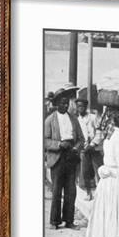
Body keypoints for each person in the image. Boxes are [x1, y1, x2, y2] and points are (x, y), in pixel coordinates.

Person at [44, 92, 85, 229]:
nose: (65, 105)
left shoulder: (73, 119)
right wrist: (58, 145)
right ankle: (54, 221)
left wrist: (76, 148)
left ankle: (69, 220)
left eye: (67, 103)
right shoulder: (50, 120)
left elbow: (81, 139)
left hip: (71, 156)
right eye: (62, 103)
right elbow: (45, 140)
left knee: (71, 191)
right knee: (56, 190)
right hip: (57, 157)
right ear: (56, 104)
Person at [75, 99, 97, 199]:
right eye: (78, 106)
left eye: (82, 106)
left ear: (86, 107)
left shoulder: (93, 117)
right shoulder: (76, 119)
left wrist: (92, 144)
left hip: (94, 147)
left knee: (97, 169)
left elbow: (99, 132)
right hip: (84, 149)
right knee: (85, 171)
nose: (80, 108)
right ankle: (89, 193)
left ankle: (100, 193)